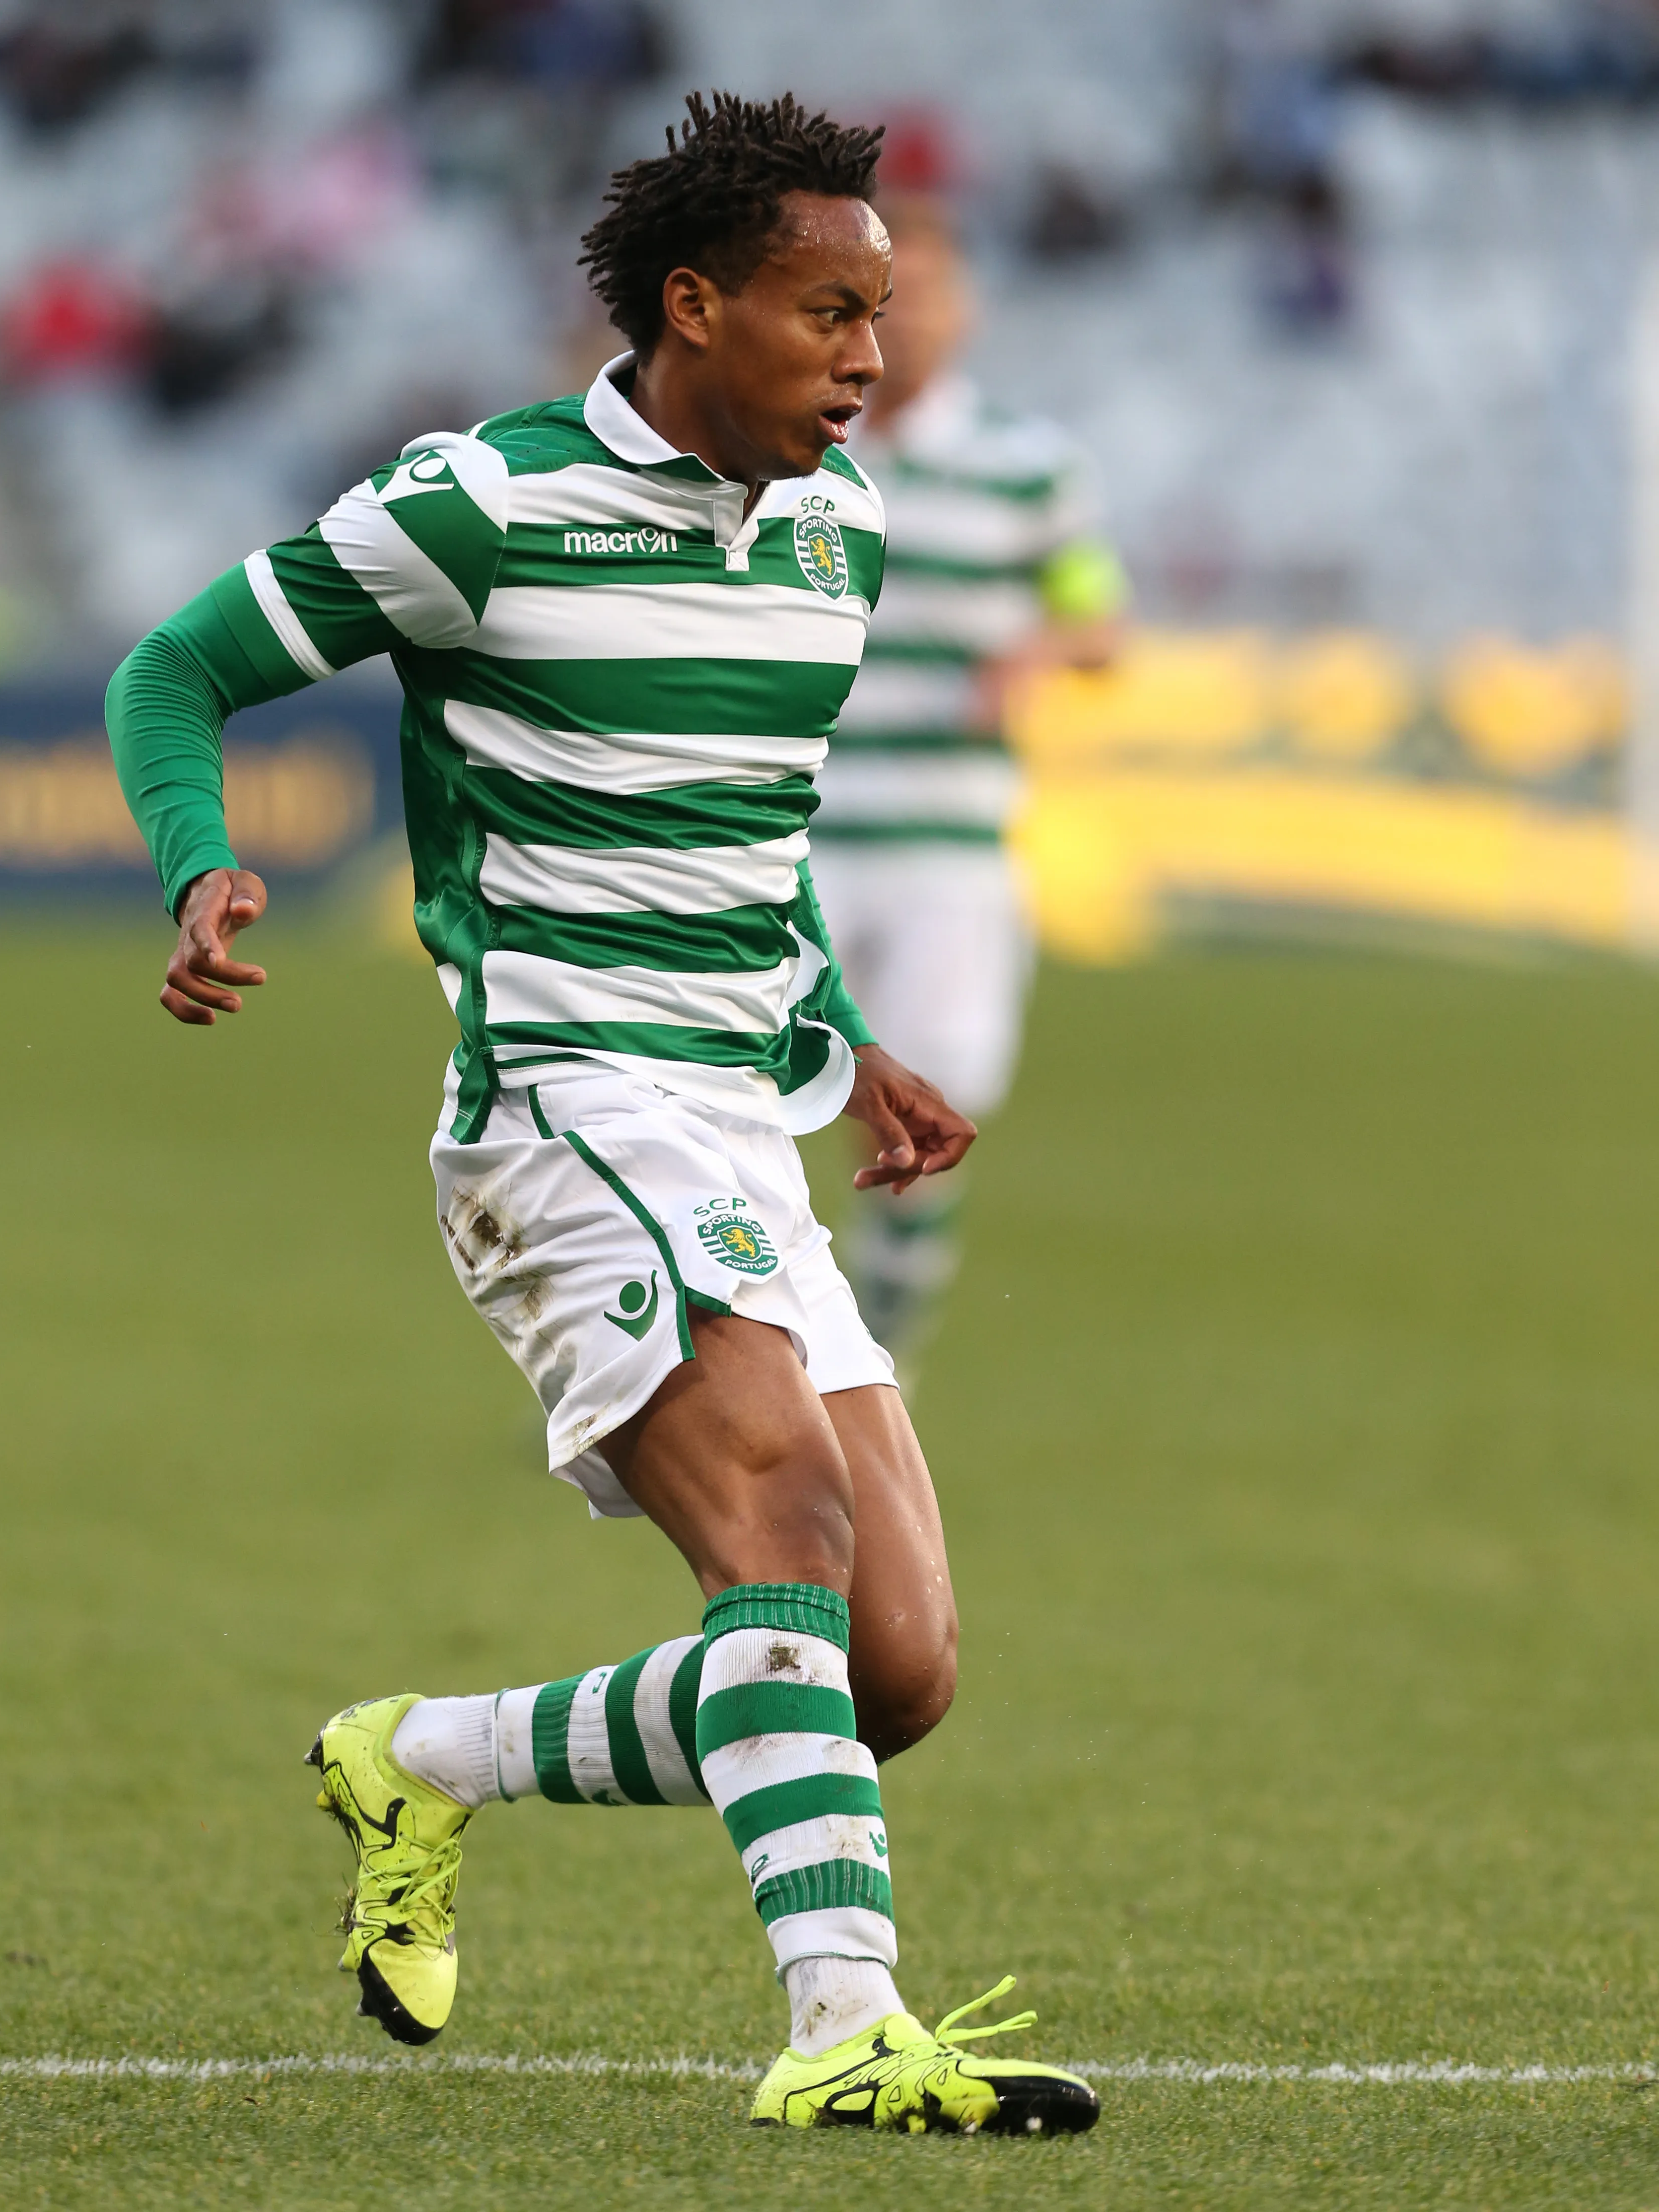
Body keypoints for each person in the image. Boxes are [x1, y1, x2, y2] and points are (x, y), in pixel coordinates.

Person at [105, 91, 1099, 2139]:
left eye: (885, 315)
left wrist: (842, 1043)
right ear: (692, 304)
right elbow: (174, 670)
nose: (873, 359)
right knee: (789, 1539)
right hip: (561, 1107)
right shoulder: (486, 503)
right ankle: (842, 2025)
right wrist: (195, 857)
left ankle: (420, 1759)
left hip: (734, 1122)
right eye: (832, 314)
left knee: (888, 1666)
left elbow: (755, 840)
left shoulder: (844, 532)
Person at [812, 193, 1128, 1381]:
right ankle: (747, 1359)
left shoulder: (1031, 472)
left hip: (949, 841)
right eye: (878, 301)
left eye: (928, 295)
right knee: (744, 1090)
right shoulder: (797, 452)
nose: (908, 321)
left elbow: (1099, 620)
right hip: (802, 834)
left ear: (969, 308)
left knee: (926, 1111)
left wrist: (1037, 652)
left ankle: (873, 1358)